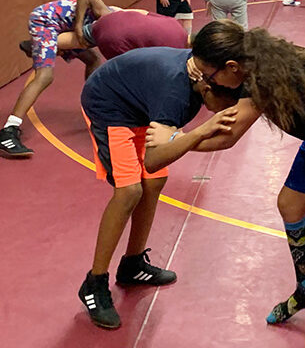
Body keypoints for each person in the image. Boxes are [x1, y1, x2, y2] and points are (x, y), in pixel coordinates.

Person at [141, 20, 305, 348]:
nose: (204, 80)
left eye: (208, 74)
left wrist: (175, 139)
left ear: (231, 67)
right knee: (290, 205)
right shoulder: (252, 60)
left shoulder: (262, 81)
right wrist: (205, 87)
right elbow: (223, 107)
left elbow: (227, 138)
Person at [77, 47, 238, 330]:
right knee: (129, 191)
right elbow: (155, 158)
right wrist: (199, 131)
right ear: (207, 85)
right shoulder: (175, 96)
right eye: (224, 103)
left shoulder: (197, 77)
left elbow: (163, 152)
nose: (224, 111)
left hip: (138, 103)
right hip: (109, 104)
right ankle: (94, 283)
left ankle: (132, 265)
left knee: (154, 182)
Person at [0, 0, 109, 157]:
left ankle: (93, 109)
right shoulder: (107, 16)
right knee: (45, 76)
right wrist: (77, 26)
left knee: (92, 59)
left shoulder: (114, 24)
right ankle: (8, 130)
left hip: (60, 26)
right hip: (45, 21)